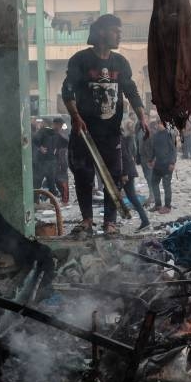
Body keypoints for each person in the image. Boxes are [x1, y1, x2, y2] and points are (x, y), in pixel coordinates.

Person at [61, 14, 149, 235]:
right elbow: (68, 89)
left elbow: (131, 91)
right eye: (115, 31)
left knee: (114, 176)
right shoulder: (80, 60)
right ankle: (87, 220)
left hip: (110, 132)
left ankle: (110, 222)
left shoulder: (120, 63)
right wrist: (75, 116)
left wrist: (142, 117)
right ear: (102, 32)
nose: (120, 35)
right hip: (84, 131)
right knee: (83, 175)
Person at [120, 122, 151, 231]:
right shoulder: (124, 138)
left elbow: (124, 157)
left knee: (128, 196)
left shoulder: (119, 140)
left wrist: (124, 174)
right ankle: (144, 220)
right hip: (127, 171)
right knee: (130, 196)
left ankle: (111, 223)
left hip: (125, 173)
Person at [32, 118, 66, 199]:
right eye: (58, 125)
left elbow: (65, 143)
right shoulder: (44, 131)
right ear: (54, 124)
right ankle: (35, 201)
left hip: (51, 162)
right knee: (37, 181)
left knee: (51, 182)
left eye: (61, 125)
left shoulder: (57, 134)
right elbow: (33, 141)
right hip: (41, 161)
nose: (59, 127)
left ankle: (52, 201)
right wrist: (40, 148)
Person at [149, 119, 176, 214]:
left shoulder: (169, 134)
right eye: (158, 123)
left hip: (167, 165)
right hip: (158, 165)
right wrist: (151, 159)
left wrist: (172, 163)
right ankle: (158, 204)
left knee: (166, 185)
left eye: (161, 123)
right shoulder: (155, 136)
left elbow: (173, 150)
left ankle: (167, 206)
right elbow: (154, 149)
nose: (159, 125)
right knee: (154, 182)